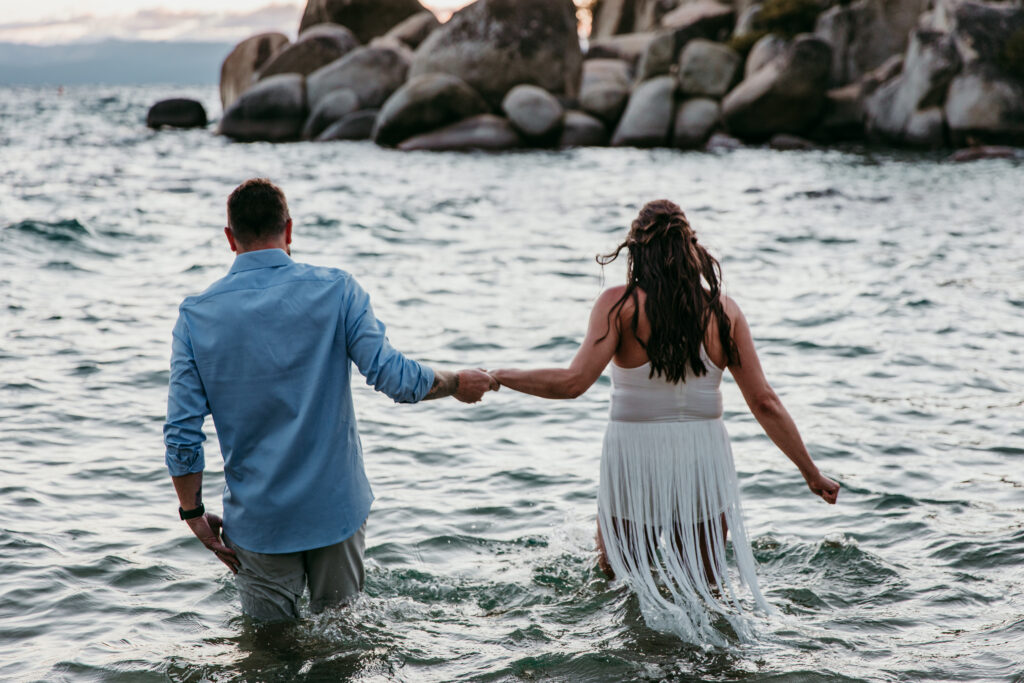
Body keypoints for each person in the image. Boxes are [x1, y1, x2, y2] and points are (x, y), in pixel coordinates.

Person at [491, 200, 839, 644]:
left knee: (621, 583)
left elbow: (572, 382)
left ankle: (638, 660)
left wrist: (499, 376)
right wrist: (811, 472)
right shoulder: (723, 312)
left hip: (634, 458)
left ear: (635, 251)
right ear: (691, 249)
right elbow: (765, 402)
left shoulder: (618, 307)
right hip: (702, 458)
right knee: (706, 587)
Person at [163, 178, 498, 622]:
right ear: (289, 230)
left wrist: (194, 514)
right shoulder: (338, 290)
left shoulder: (196, 316)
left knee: (267, 655)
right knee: (341, 645)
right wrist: (455, 381)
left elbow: (182, 433)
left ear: (230, 238)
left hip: (259, 521)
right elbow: (396, 379)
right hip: (335, 509)